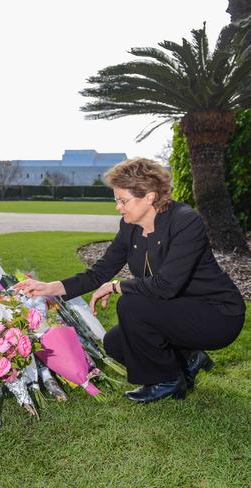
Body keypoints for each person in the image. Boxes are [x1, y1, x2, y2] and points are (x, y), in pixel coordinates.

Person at [13, 158, 245, 403]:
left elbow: (167, 285)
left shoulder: (186, 221)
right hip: (176, 309)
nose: (118, 207)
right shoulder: (130, 226)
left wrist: (117, 286)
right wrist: (49, 288)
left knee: (131, 304)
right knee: (115, 344)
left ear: (149, 196)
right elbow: (99, 272)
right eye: (116, 200)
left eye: (123, 201)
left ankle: (167, 380)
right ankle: (188, 358)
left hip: (217, 314)